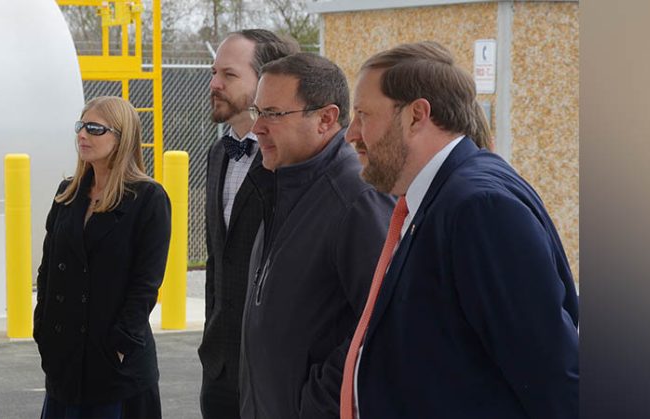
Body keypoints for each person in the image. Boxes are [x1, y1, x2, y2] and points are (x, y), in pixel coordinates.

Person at [339, 41, 579, 418]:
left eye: (363, 115)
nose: (351, 134)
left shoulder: (478, 209)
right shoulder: (445, 197)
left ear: (416, 116)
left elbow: (553, 378)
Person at [238, 53, 395, 418]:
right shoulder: (281, 181)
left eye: (273, 114)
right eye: (256, 111)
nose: (257, 127)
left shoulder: (356, 199)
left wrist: (317, 405)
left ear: (326, 119)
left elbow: (384, 325)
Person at [34, 96, 172, 418]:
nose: (83, 135)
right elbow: (48, 268)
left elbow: (146, 283)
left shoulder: (148, 199)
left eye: (95, 128)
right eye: (81, 126)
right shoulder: (68, 192)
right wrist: (42, 328)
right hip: (65, 363)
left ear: (122, 138)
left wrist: (120, 344)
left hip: (115, 368)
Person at [199, 28, 298, 419]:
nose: (214, 84)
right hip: (219, 369)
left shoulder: (291, 164)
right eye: (213, 72)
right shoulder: (217, 154)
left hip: (274, 374)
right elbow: (216, 261)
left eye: (229, 75)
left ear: (267, 82)